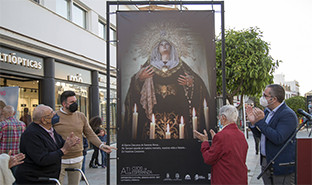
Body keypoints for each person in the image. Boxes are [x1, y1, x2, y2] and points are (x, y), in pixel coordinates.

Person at [124, 39, 209, 140]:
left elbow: (197, 84)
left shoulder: (180, 66)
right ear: (157, 48)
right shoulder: (149, 66)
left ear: (172, 47)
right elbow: (135, 86)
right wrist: (140, 78)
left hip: (177, 117)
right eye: (161, 44)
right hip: (153, 117)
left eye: (167, 44)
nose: (164, 46)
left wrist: (191, 82)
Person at [54, 91, 116, 185]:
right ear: (64, 104)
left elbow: (89, 133)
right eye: (72, 102)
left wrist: (101, 145)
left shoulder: (81, 116)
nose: (75, 104)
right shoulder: (54, 117)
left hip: (77, 158)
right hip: (59, 158)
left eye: (75, 101)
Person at [15, 104, 80, 184]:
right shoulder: (31, 134)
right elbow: (42, 159)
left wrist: (70, 142)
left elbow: (58, 144)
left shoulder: (50, 130)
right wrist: (63, 150)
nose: (55, 114)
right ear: (44, 120)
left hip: (49, 177)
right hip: (35, 179)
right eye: (51, 113)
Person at [246, 84, 297, 185]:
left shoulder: (288, 114)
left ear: (273, 99)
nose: (262, 98)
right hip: (266, 161)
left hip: (280, 165)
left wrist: (260, 122)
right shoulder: (267, 112)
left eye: (265, 96)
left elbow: (278, 138)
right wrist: (253, 123)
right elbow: (263, 135)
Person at [194, 105, 248, 185]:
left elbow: (209, 158)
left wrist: (205, 142)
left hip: (225, 180)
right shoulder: (241, 134)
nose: (219, 119)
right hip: (240, 179)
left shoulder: (221, 136)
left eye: (219, 117)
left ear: (223, 117)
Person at [0, 105, 26, 177]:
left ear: (4, 113)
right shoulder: (22, 124)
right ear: (13, 113)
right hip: (18, 157)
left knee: (5, 178)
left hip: (4, 157)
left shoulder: (2, 125)